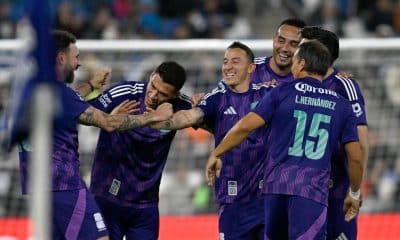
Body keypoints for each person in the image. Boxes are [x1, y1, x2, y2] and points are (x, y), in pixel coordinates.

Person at [18, 30, 172, 240]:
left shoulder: (33, 89)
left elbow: (70, 101)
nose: (79, 64)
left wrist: (90, 86)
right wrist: (152, 118)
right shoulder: (59, 91)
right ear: (61, 58)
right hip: (64, 183)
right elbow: (108, 123)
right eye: (76, 57)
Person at [205, 40, 364, 239]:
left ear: (301, 64)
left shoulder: (281, 92)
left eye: (295, 61)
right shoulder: (342, 105)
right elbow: (356, 157)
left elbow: (244, 126)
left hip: (275, 188)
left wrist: (217, 152)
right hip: (311, 191)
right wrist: (355, 192)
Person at [151, 41, 272, 239]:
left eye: (235, 61)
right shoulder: (217, 98)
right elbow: (191, 116)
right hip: (233, 201)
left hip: (267, 198)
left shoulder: (268, 94)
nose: (228, 66)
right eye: (225, 62)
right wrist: (162, 121)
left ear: (251, 68)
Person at [87, 61, 192, 240]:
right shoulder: (126, 92)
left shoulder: (181, 106)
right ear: (151, 75)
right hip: (106, 196)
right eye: (153, 86)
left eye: (162, 94)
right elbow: (81, 112)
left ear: (175, 95)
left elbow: (213, 119)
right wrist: (108, 118)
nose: (153, 95)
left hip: (145, 204)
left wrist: (217, 153)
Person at [300, 26, 369, 240]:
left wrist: (355, 186)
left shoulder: (344, 86)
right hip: (301, 187)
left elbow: (362, 142)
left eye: (301, 46)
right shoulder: (294, 84)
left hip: (336, 186)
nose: (296, 52)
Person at [251, 18, 306, 85]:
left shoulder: (307, 79)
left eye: (293, 44)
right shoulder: (249, 68)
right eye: (281, 41)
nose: (284, 49)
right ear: (274, 40)